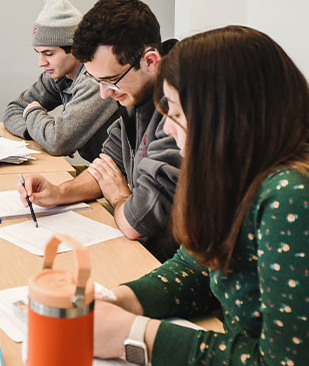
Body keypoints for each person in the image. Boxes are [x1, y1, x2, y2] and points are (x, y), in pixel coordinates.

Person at [93, 26, 309, 365]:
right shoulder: (238, 172)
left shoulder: (290, 194)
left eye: (177, 114)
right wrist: (120, 300)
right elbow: (194, 269)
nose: (166, 128)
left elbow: (283, 361)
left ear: (225, 118)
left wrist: (136, 336)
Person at [18, 0, 181, 261]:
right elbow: (107, 165)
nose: (104, 94)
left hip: (168, 261)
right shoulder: (132, 93)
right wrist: (59, 192)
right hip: (143, 250)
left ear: (150, 62)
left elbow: (136, 222)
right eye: (97, 82)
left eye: (111, 81)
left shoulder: (178, 112)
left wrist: (118, 196)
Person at [3, 0, 118, 162]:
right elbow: (13, 110)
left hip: (124, 179)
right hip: (100, 170)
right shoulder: (57, 77)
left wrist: (34, 113)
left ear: (75, 49)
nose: (41, 63)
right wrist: (39, 133)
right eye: (39, 53)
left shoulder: (95, 82)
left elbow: (57, 141)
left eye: (49, 54)